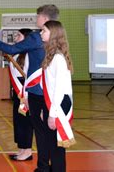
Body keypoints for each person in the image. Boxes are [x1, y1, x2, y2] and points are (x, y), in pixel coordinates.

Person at [0, 4, 59, 172]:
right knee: (47, 132)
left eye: (38, 16)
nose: (36, 20)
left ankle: (44, 165)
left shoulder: (36, 38)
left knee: (41, 132)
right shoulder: (58, 36)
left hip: (37, 91)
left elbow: (13, 49)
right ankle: (49, 165)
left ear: (44, 19)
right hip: (49, 89)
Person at [40, 20, 75, 171]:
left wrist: (52, 114)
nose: (41, 33)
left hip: (59, 104)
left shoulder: (58, 58)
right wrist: (45, 109)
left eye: (44, 31)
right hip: (52, 102)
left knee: (57, 147)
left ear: (53, 34)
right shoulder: (51, 55)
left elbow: (59, 89)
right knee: (51, 144)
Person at [8, 29, 34, 161]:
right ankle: (22, 149)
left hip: (25, 90)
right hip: (17, 91)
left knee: (25, 122)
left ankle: (28, 151)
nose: (16, 37)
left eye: (19, 35)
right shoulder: (16, 52)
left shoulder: (29, 54)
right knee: (18, 121)